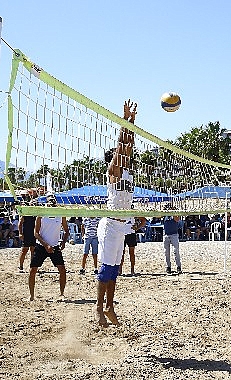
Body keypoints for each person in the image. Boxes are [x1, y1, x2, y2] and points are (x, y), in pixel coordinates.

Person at [95, 99, 137, 327]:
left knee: (115, 270)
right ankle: (98, 308)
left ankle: (110, 306)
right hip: (110, 224)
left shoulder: (127, 173)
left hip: (122, 225)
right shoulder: (113, 172)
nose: (124, 155)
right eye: (119, 154)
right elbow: (122, 147)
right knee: (106, 269)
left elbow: (127, 147)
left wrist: (132, 122)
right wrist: (124, 122)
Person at [29, 193, 69, 301]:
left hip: (55, 246)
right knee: (33, 270)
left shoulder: (61, 214)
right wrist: (45, 245)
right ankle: (31, 296)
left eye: (53, 200)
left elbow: (66, 231)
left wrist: (64, 242)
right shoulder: (41, 214)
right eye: (50, 200)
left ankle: (61, 294)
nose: (51, 202)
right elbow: (36, 233)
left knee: (62, 270)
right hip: (41, 246)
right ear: (47, 202)